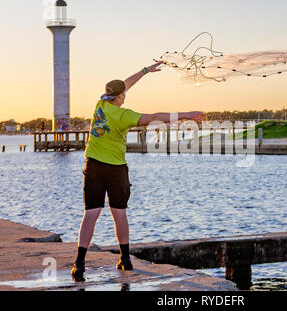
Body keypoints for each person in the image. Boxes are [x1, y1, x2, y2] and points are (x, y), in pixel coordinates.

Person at [71, 62, 204, 282]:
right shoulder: (124, 116)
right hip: (115, 169)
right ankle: (125, 259)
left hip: (93, 166)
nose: (126, 94)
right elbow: (154, 116)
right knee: (119, 213)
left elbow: (125, 84)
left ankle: (79, 263)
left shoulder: (100, 104)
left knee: (91, 214)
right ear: (120, 97)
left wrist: (144, 72)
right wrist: (186, 115)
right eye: (124, 94)